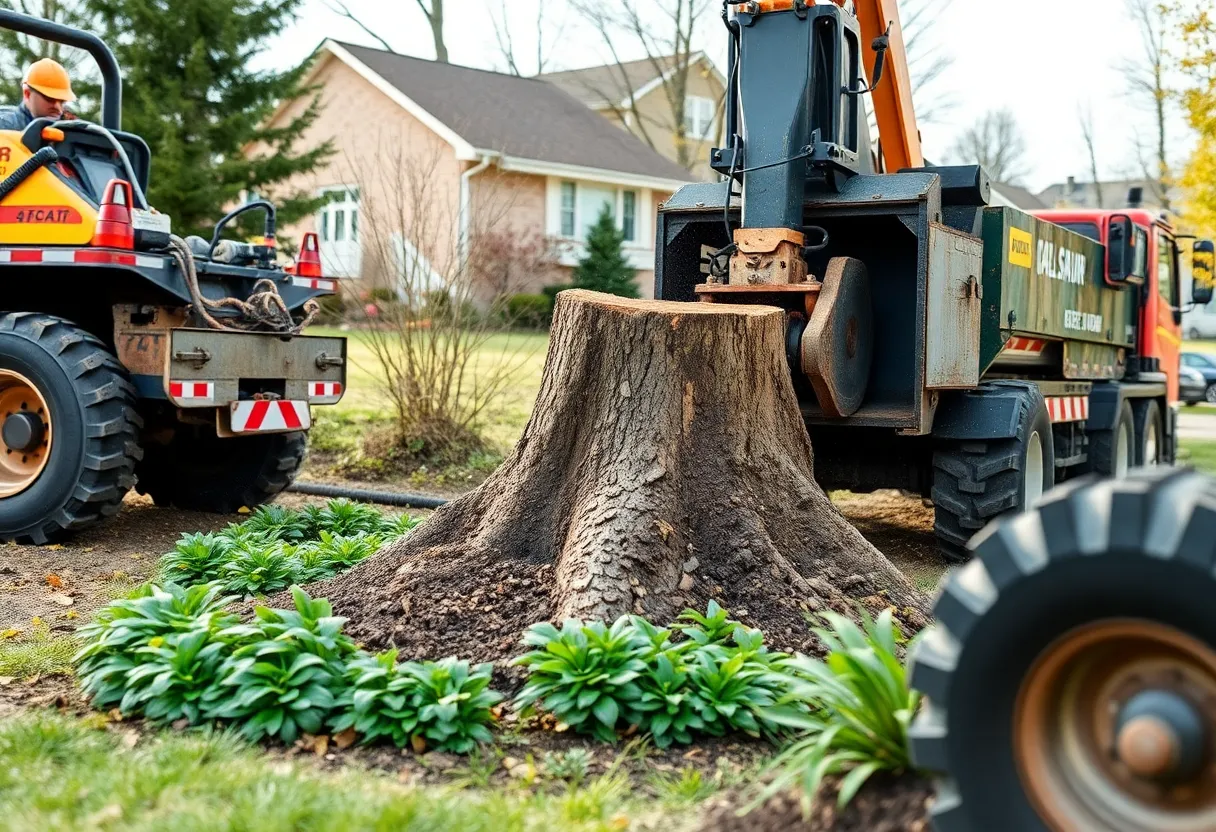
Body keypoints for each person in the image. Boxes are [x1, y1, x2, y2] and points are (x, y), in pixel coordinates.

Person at [0, 58, 76, 131]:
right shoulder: (4, 126)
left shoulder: (68, 131)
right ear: (27, 94)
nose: (58, 108)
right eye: (49, 98)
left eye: (62, 101)